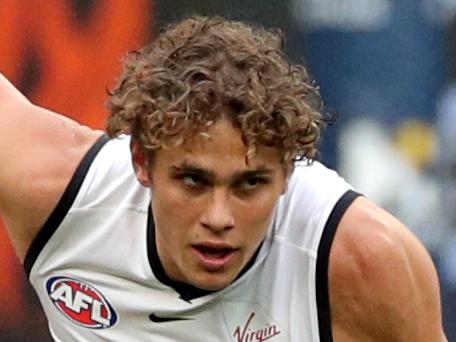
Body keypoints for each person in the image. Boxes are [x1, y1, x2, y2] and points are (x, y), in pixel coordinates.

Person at [0, 16, 447, 342]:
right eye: (193, 181)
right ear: (141, 161)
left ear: (289, 171)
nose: (219, 217)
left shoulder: (364, 260)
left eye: (249, 184)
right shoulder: (60, 190)